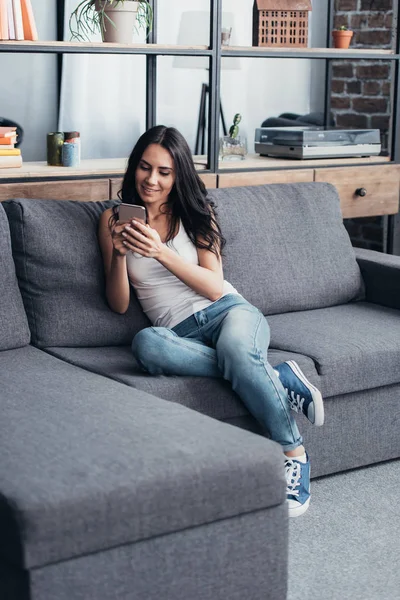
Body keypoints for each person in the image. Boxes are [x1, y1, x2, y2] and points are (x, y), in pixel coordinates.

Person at [98, 125, 324, 518]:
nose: (151, 180)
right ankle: (276, 376)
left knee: (237, 349)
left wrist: (160, 253)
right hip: (178, 335)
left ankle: (294, 453)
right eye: (144, 168)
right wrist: (120, 256)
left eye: (164, 172)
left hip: (230, 313)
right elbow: (118, 305)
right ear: (134, 167)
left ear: (178, 174)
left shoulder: (198, 212)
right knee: (147, 345)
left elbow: (215, 287)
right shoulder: (111, 220)